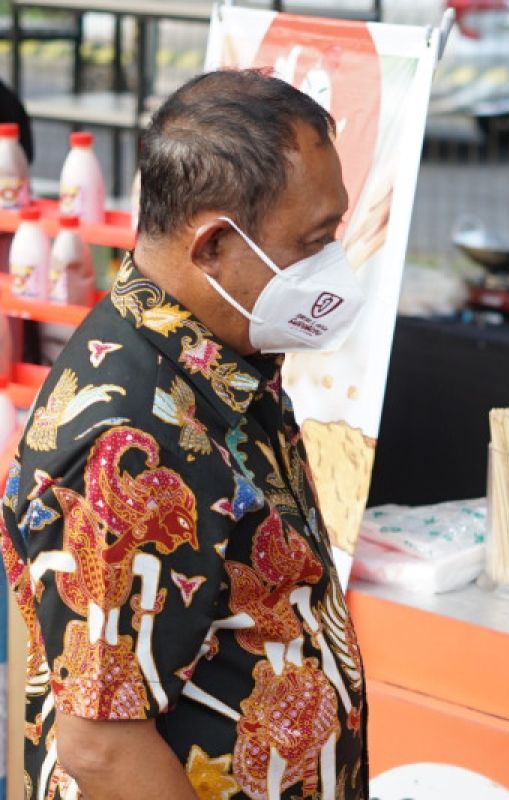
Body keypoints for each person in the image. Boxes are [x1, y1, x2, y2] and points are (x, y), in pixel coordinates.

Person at [0, 69, 370, 798]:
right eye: (314, 240)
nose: (334, 265)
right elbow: (102, 747)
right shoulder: (127, 441)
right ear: (212, 248)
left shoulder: (212, 362)